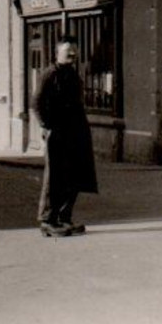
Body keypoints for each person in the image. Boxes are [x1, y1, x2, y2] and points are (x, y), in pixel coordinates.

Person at [33, 38, 98, 237]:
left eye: (75, 51)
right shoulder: (50, 74)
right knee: (55, 176)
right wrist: (46, 126)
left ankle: (64, 218)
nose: (72, 54)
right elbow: (37, 102)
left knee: (76, 175)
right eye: (68, 51)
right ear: (57, 53)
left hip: (76, 131)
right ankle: (48, 220)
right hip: (58, 132)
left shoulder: (73, 74)